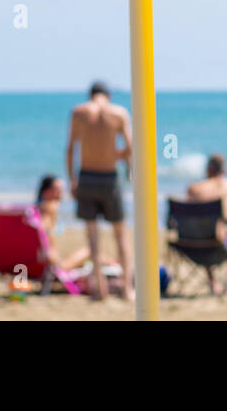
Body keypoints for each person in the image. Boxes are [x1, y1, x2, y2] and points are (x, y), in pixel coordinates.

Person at [65, 81, 133, 300]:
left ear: (91, 94)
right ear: (108, 95)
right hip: (109, 177)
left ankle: (99, 289)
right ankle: (127, 289)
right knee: (120, 235)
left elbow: (70, 149)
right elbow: (131, 148)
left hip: (87, 175)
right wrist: (119, 158)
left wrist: (72, 181)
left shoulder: (79, 112)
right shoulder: (119, 113)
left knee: (93, 237)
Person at [185, 153, 227, 294]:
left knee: (205, 230)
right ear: (224, 170)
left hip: (190, 243)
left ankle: (212, 281)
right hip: (222, 243)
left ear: (208, 170)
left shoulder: (194, 189)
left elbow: (183, 219)